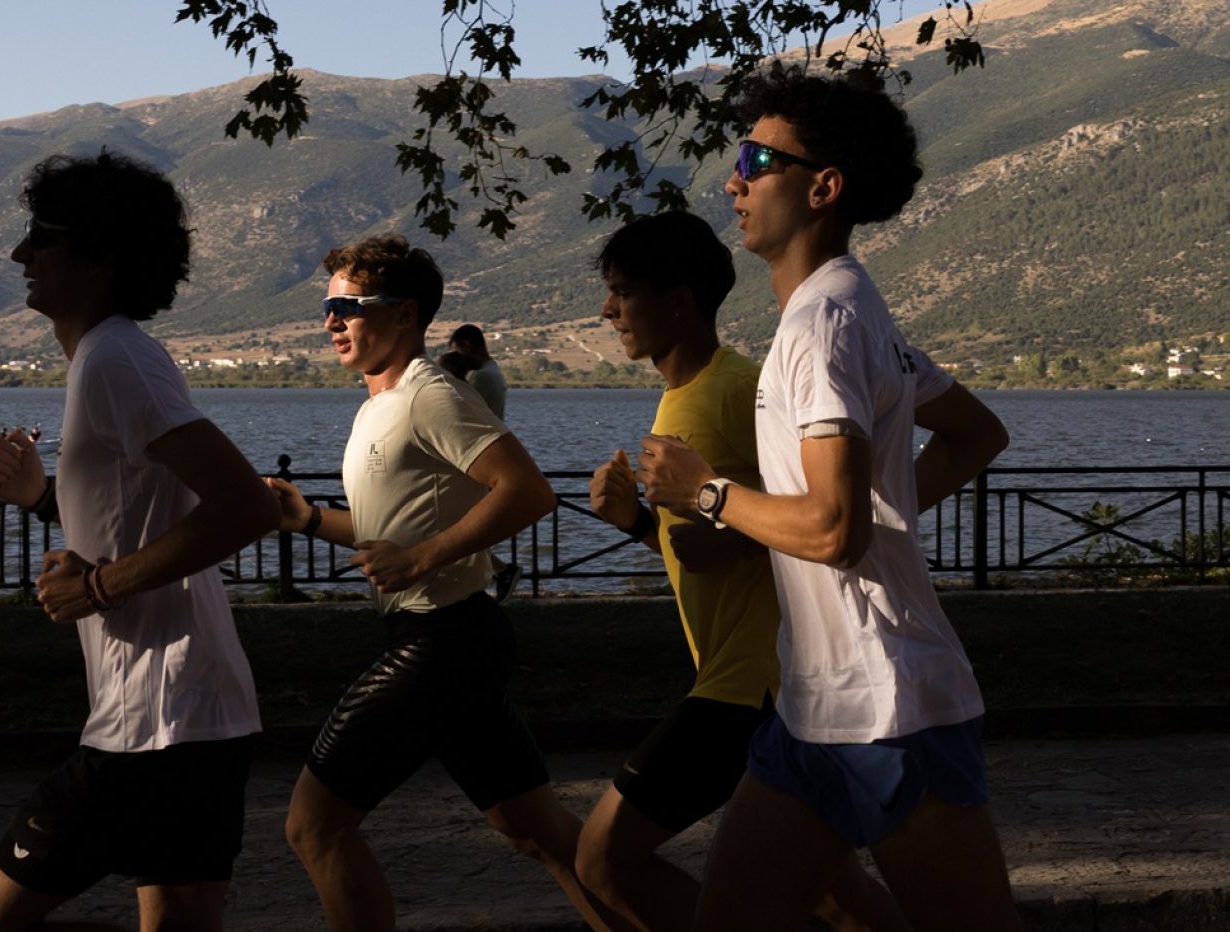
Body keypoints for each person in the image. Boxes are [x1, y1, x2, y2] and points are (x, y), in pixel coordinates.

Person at [634, 68, 1022, 932]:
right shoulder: (844, 311)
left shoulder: (825, 326)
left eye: (754, 161)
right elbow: (974, 435)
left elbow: (832, 529)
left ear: (823, 187)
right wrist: (886, 511)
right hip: (813, 707)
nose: (732, 182)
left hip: (887, 706)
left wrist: (704, 490)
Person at [0, 151, 280, 932]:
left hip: (156, 721)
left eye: (41, 236)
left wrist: (98, 587)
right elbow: (139, 516)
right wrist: (42, 498)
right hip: (196, 716)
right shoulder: (111, 357)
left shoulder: (115, 359)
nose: (20, 254)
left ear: (98, 256)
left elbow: (245, 505)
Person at [266, 234, 625, 932]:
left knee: (314, 826)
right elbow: (388, 533)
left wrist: (423, 559)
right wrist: (306, 519)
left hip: (441, 641)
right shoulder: (379, 405)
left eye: (350, 306)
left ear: (405, 314)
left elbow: (528, 492)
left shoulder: (430, 395)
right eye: (328, 307)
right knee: (534, 830)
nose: (332, 320)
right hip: (453, 639)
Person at [580, 211, 909, 932]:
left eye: (623, 292)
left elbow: (815, 518)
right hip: (745, 678)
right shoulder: (680, 397)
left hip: (750, 685)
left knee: (603, 858)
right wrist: (638, 525)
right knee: (833, 894)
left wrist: (726, 535)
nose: (607, 310)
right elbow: (710, 548)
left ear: (679, 301)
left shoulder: (739, 390)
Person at [447, 323, 522, 601]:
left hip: (474, 458)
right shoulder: (493, 371)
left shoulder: (480, 377)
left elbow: (460, 412)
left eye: (457, 351)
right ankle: (488, 575)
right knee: (460, 527)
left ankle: (496, 572)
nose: (458, 358)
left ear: (467, 346)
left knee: (458, 528)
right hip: (483, 455)